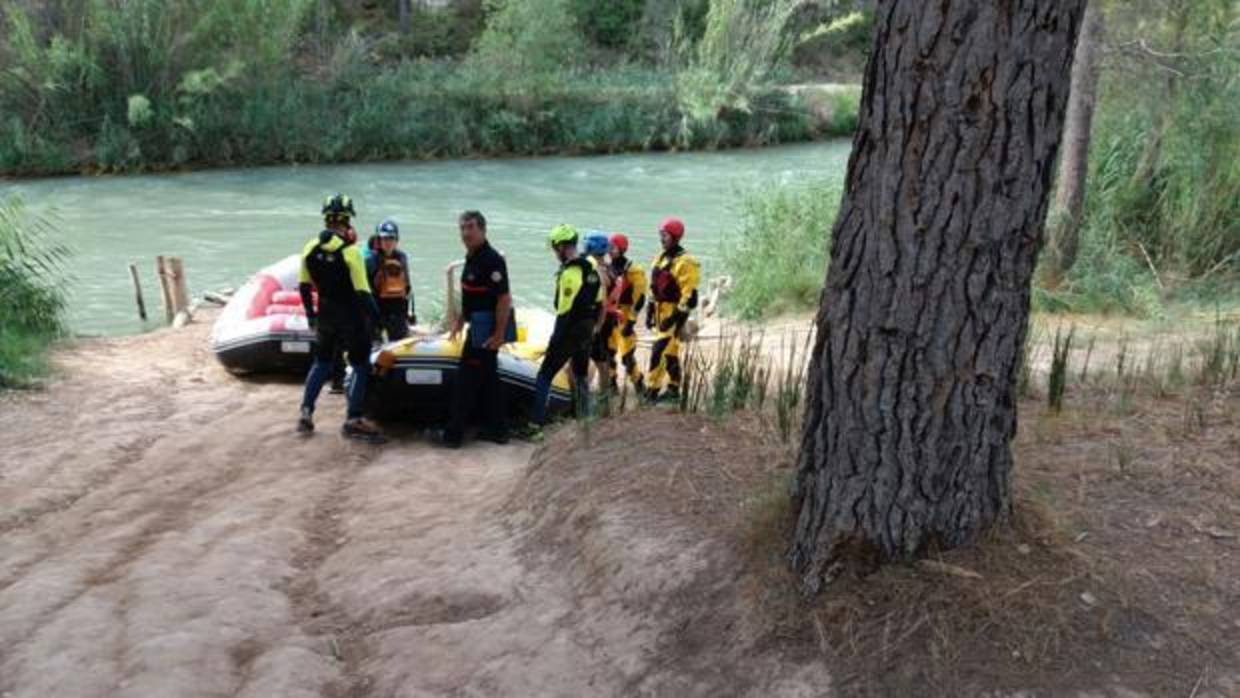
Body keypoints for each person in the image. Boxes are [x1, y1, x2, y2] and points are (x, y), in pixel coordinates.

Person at [296, 193, 385, 442]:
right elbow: (363, 293)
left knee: (321, 363)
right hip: (351, 317)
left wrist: (311, 316)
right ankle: (353, 419)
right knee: (360, 365)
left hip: (325, 315)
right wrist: (378, 321)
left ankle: (306, 412)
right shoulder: (350, 252)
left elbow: (304, 286)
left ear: (326, 219)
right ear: (347, 221)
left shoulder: (309, 248)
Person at [441, 210, 512, 448]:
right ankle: (499, 431)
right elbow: (472, 295)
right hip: (476, 327)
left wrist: (499, 334)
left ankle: (452, 436)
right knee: (489, 380)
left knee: (465, 382)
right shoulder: (472, 256)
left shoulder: (491, 260)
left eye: (470, 227)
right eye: (462, 228)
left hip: (485, 332)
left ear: (483, 229)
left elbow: (503, 299)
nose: (465, 233)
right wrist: (461, 319)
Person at [531, 224, 604, 426]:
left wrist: (555, 340)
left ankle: (535, 424)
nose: (555, 253)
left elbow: (563, 310)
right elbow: (599, 301)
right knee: (580, 373)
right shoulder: (591, 267)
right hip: (587, 328)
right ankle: (585, 418)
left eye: (556, 249)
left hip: (570, 329)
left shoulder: (570, 274)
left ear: (562, 246)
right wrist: (594, 328)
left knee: (544, 375)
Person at [645, 217, 700, 404]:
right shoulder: (659, 258)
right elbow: (654, 288)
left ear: (675, 237)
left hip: (673, 312)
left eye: (665, 235)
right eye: (661, 235)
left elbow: (689, 296)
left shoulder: (686, 262)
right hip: (660, 311)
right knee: (670, 351)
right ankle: (674, 389)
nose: (662, 239)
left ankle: (651, 391)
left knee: (658, 350)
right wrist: (650, 312)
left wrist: (676, 318)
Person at [606, 233, 647, 393]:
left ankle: (638, 383)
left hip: (624, 315)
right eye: (609, 247)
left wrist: (631, 321)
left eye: (613, 247)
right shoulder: (608, 268)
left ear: (622, 249)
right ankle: (611, 383)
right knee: (609, 352)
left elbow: (640, 298)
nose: (610, 250)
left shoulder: (633, 271)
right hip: (611, 315)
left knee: (627, 356)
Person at [366, 218, 415, 342]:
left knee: (399, 343)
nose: (388, 242)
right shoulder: (370, 260)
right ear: (378, 240)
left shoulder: (402, 257)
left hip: (397, 310)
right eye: (384, 239)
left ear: (396, 240)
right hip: (377, 309)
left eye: (391, 239)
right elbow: (366, 290)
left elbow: (407, 286)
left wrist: (407, 315)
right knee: (374, 344)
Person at [582, 231, 616, 392]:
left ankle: (596, 394)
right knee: (601, 358)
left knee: (595, 358)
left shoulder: (596, 269)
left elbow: (601, 300)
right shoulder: (607, 266)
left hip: (596, 320)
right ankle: (604, 394)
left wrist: (597, 325)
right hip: (607, 318)